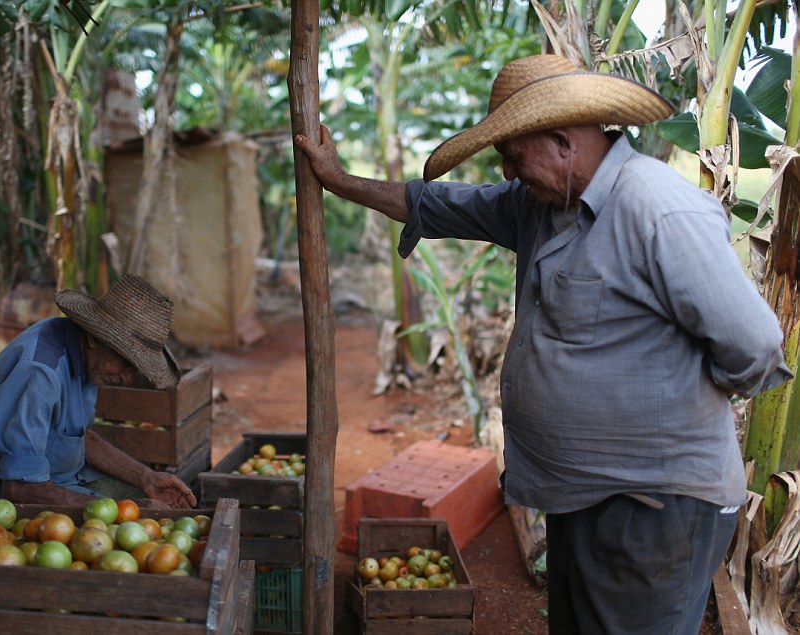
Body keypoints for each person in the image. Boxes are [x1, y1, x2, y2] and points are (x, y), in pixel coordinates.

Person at [295, 53, 792, 633]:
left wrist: (685, 402)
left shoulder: (655, 207)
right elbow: (437, 204)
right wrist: (338, 180)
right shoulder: (539, 204)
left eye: (512, 155)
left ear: (562, 141)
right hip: (577, 493)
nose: (506, 172)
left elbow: (754, 344)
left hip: (654, 508)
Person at [0, 274, 197, 510]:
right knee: (137, 517)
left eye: (135, 369)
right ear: (95, 338)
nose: (126, 378)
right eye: (125, 363)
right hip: (12, 502)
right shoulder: (39, 374)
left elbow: (78, 438)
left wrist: (146, 477)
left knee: (158, 506)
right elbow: (20, 488)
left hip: (70, 479)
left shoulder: (84, 355)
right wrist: (122, 510)